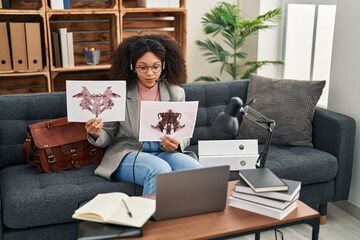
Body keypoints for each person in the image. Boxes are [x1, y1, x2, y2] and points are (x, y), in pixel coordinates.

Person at [85, 34, 201, 195]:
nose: (150, 73)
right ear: (133, 66)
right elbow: (108, 136)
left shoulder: (176, 92)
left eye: (156, 67)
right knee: (160, 170)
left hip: (163, 150)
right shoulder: (118, 94)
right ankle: (153, 219)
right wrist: (96, 133)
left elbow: (183, 133)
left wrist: (177, 143)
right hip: (128, 152)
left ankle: (190, 217)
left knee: (194, 168)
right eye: (143, 67)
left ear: (164, 65)